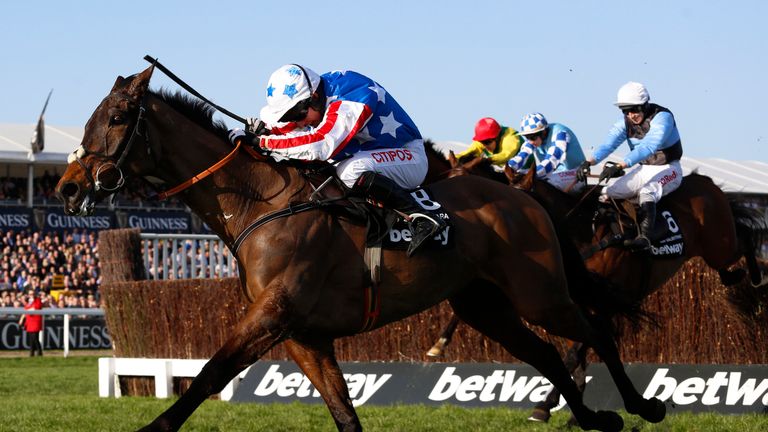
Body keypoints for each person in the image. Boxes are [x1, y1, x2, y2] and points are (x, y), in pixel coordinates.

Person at [228, 64, 445, 256]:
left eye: (296, 115)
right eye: (289, 117)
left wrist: (263, 142)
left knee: (350, 171)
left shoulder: (351, 95)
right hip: (371, 155)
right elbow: (287, 128)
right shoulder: (315, 98)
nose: (297, 122)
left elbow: (320, 145)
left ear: (314, 97)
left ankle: (421, 217)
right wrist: (265, 131)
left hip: (408, 156)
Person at [576, 82, 683, 250]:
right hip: (643, 169)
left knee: (647, 192)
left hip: (669, 169)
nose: (631, 115)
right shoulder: (623, 123)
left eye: (634, 109)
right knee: (607, 192)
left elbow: (648, 147)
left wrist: (620, 165)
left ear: (645, 105)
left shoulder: (663, 118)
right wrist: (589, 162)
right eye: (626, 111)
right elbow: (608, 145)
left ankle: (646, 239)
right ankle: (619, 232)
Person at [506, 112, 587, 192]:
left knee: (542, 184)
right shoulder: (535, 139)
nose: (530, 141)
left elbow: (550, 163)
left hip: (576, 174)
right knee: (521, 175)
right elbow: (521, 156)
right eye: (527, 137)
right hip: (554, 173)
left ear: (543, 132)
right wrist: (508, 169)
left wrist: (528, 175)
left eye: (532, 137)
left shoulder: (561, 134)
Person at [454, 117, 523, 168]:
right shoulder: (482, 142)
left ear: (497, 137)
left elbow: (506, 155)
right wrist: (454, 158)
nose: (485, 146)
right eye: (482, 142)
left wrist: (488, 160)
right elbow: (468, 152)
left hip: (529, 169)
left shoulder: (510, 137)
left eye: (487, 142)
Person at [18, 289, 43, 356]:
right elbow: (25, 310)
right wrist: (21, 319)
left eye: (32, 294)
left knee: (35, 338)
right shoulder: (28, 302)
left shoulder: (38, 300)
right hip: (29, 322)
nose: (31, 295)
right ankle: (32, 353)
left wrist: (27, 310)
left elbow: (35, 308)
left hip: (36, 321)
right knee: (31, 339)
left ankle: (39, 352)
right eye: (30, 294)